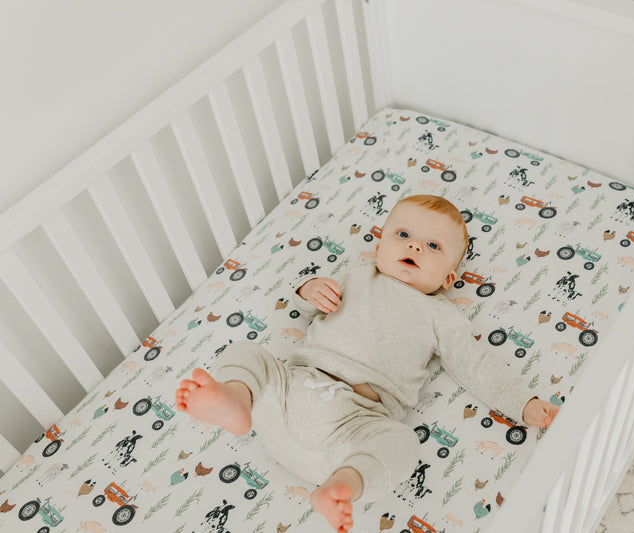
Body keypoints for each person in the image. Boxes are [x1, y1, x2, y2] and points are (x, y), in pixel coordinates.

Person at [175, 194, 560, 532]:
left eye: (433, 245)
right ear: (379, 246)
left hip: (354, 426)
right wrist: (310, 289)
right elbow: (303, 305)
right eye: (403, 234)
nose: (415, 246)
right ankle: (235, 401)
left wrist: (522, 403)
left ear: (448, 278)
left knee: (401, 443)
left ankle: (344, 485)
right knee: (249, 353)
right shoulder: (356, 276)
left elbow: (476, 365)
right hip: (290, 392)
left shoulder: (441, 315)